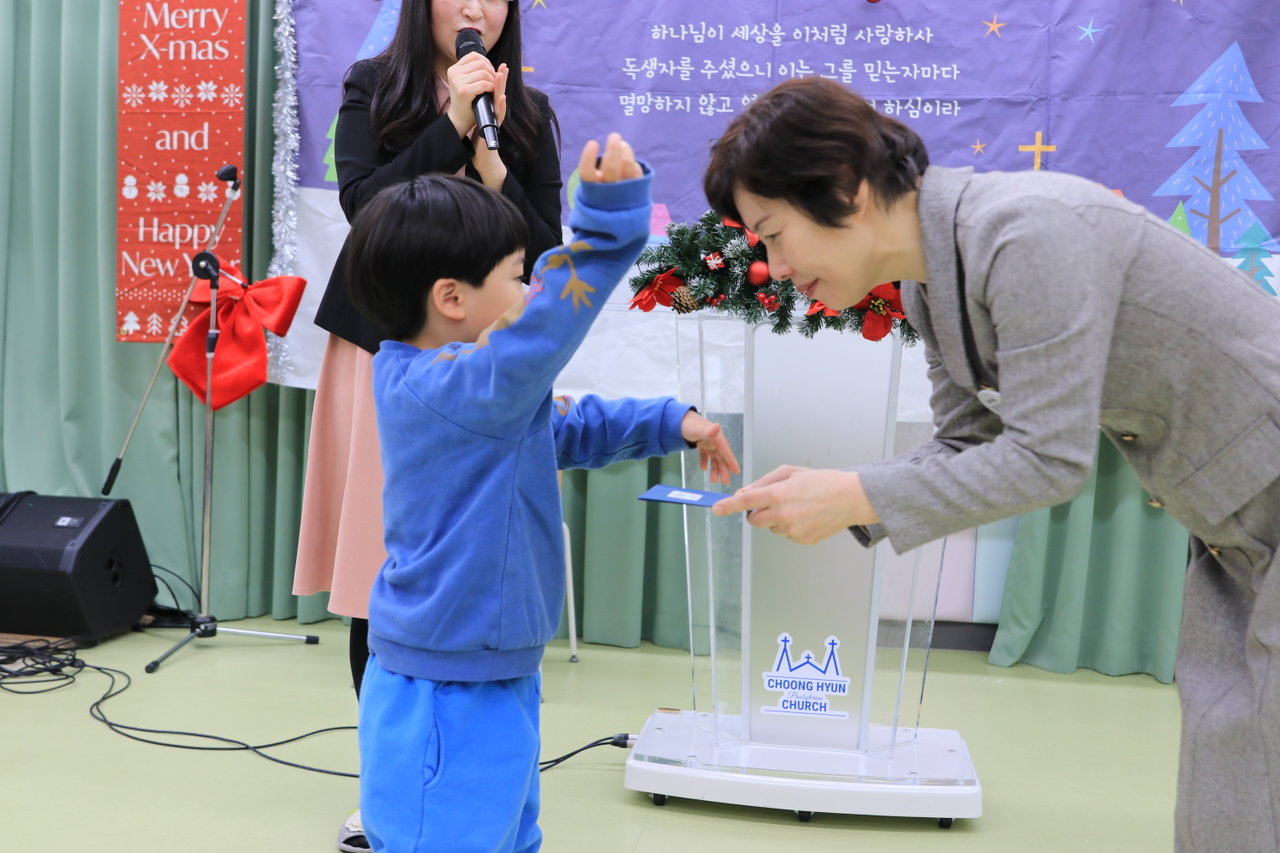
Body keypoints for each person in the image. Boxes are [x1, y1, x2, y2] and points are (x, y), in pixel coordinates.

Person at [705, 77, 1280, 853]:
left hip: (1260, 506)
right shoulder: (929, 287)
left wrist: (853, 495)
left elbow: (1049, 458)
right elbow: (966, 445)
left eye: (773, 234)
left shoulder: (1027, 231)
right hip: (1234, 537)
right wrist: (840, 498)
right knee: (1232, 784)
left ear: (845, 187)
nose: (772, 266)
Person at [345, 133, 739, 853]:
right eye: (517, 276)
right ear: (452, 298)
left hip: (492, 669)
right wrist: (608, 225)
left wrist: (670, 422)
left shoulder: (467, 389)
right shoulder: (455, 388)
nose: (528, 292)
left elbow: (566, 428)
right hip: (447, 688)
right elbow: (546, 327)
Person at [291, 1, 561, 848]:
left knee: (469, 564)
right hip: (386, 354)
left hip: (492, 363)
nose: (477, 8)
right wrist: (451, 123)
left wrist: (491, 161)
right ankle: (387, 788)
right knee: (379, 567)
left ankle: (475, 784)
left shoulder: (529, 114)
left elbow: (546, 250)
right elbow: (365, 209)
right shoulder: (373, 87)